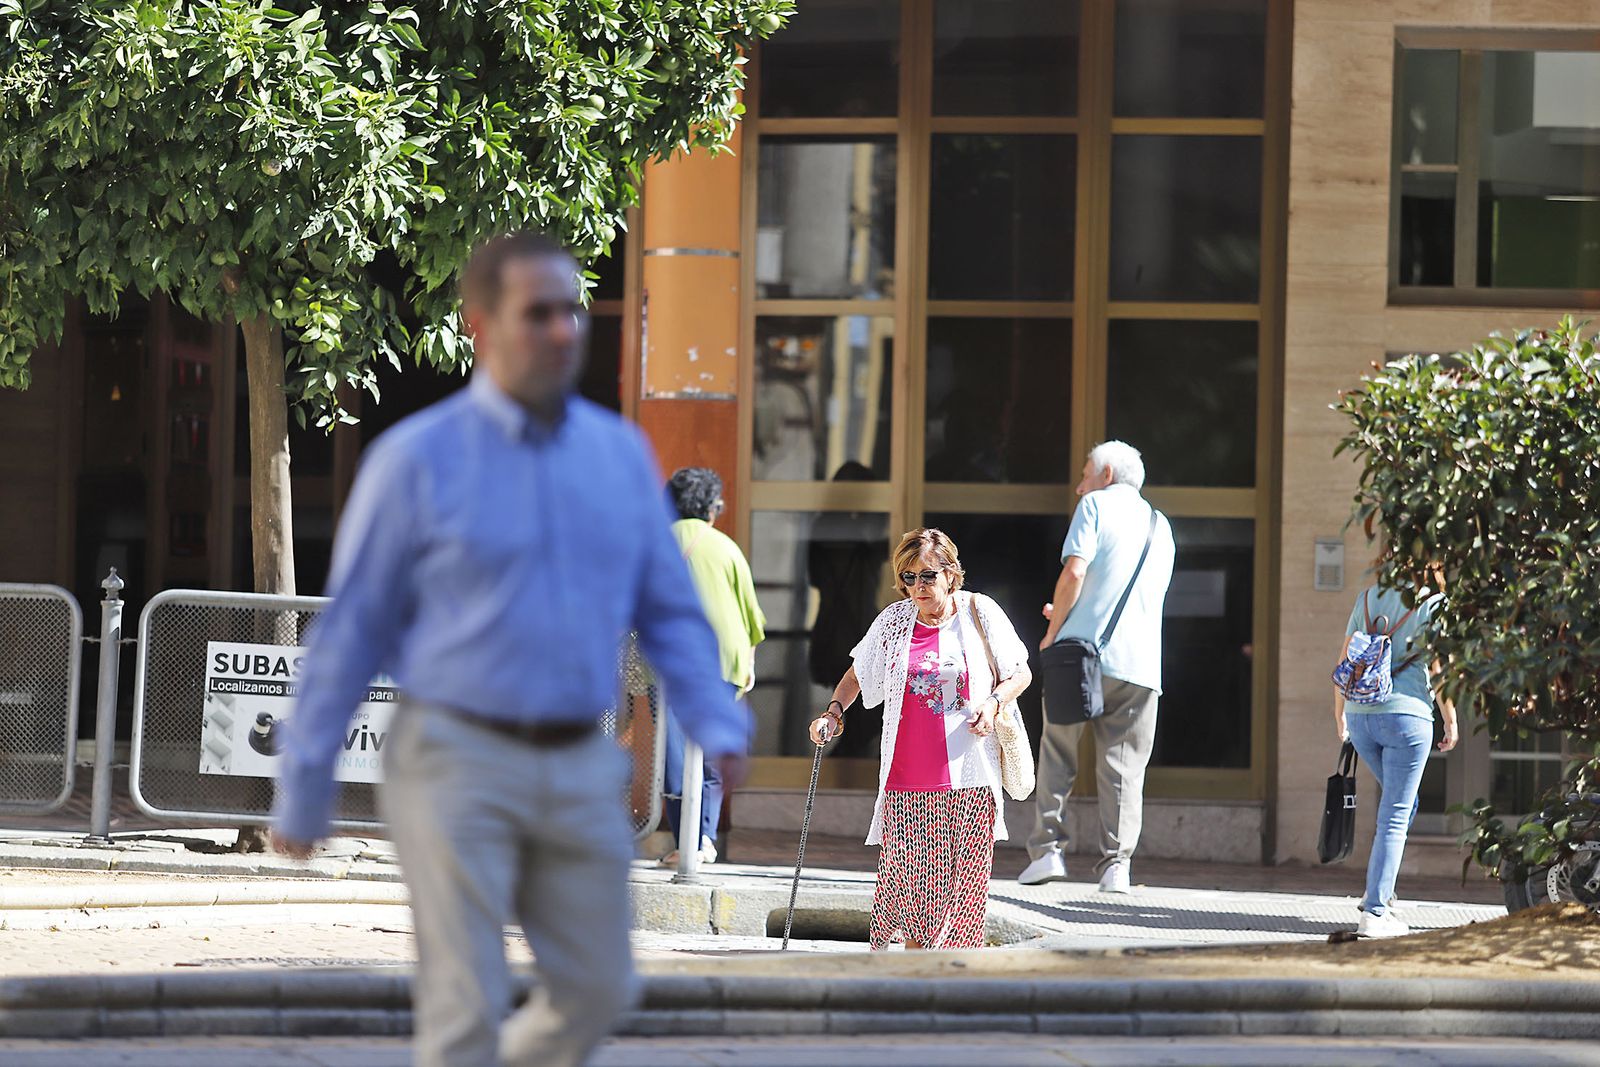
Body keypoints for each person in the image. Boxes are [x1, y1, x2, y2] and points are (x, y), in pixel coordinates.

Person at [270, 232, 747, 1067]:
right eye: (539, 312)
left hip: (576, 759)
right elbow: (353, 631)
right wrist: (305, 784)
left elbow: (666, 607)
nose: (564, 329)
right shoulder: (415, 461)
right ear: (481, 325)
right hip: (454, 754)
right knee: (466, 1004)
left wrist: (716, 717)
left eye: (573, 309)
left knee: (600, 986)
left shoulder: (616, 454)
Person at [809, 528, 1032, 950]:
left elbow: (1020, 672)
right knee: (913, 887)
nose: (917, 587)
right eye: (908, 578)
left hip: (970, 779)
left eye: (927, 575)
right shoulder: (894, 621)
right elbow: (858, 675)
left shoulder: (979, 612)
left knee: (962, 891)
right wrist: (833, 713)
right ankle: (918, 975)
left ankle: (943, 982)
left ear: (951, 573)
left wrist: (993, 702)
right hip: (906, 780)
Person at [1021, 441, 1175, 894]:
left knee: (1058, 753)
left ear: (1106, 475)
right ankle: (1116, 866)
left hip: (1080, 655)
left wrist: (1055, 630)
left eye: (1085, 474)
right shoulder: (1160, 525)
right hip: (1142, 665)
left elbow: (1075, 573)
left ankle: (1047, 851)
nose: (1078, 485)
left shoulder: (1095, 505)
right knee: (1124, 767)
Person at [1335, 567, 1458, 938]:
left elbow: (1344, 661)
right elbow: (1439, 671)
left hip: (1361, 718)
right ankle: (1374, 912)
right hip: (1407, 718)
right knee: (1395, 814)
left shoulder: (1368, 597)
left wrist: (1339, 715)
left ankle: (1379, 891)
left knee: (1399, 803)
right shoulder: (1433, 604)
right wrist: (1450, 721)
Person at [659, 466, 766, 866]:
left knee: (672, 758)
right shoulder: (726, 547)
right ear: (711, 508)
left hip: (670, 665)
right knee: (713, 752)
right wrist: (749, 662)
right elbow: (752, 618)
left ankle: (684, 842)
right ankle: (704, 839)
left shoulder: (656, 542)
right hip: (725, 662)